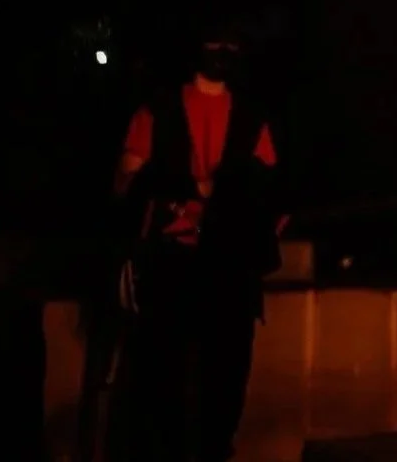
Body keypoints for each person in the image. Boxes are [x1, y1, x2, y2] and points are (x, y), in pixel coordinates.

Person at [113, 25, 283, 462]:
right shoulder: (160, 109)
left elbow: (268, 191)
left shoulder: (250, 118)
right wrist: (185, 188)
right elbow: (126, 184)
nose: (224, 51)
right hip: (170, 262)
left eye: (232, 43)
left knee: (225, 380)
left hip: (229, 265)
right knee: (161, 379)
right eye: (216, 41)